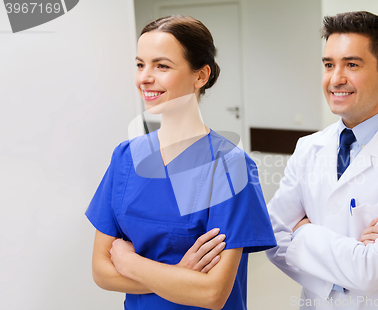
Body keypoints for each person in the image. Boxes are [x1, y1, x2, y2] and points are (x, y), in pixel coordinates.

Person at [86, 15, 276, 310]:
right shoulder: (125, 157)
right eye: (140, 64)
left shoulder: (230, 167)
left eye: (161, 66)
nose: (145, 77)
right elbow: (101, 271)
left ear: (200, 76)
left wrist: (128, 262)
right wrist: (179, 275)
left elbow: (212, 293)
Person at [266, 11, 378, 309]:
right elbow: (272, 235)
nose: (336, 79)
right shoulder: (309, 148)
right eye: (328, 65)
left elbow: (372, 270)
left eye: (352, 64)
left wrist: (303, 231)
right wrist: (348, 260)